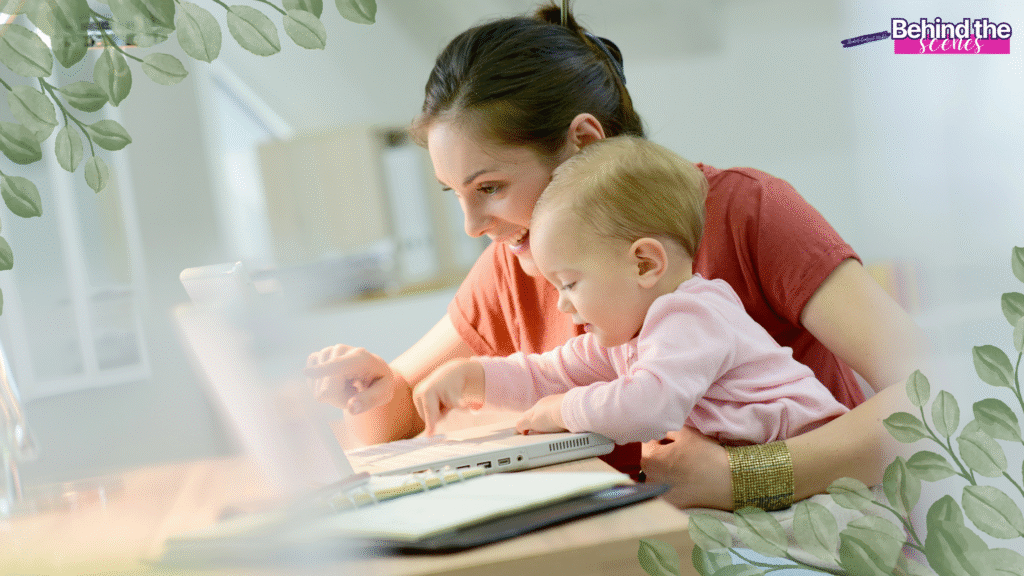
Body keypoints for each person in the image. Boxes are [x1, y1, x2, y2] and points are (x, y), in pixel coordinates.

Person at [305, 4, 926, 511]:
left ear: (581, 142)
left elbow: (937, 395)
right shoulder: (510, 261)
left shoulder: (747, 210)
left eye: (489, 187)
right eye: (456, 196)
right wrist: (374, 392)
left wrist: (747, 474)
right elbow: (396, 423)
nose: (472, 226)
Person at [411, 136, 850, 450]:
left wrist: (563, 410)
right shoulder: (630, 338)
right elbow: (549, 373)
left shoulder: (692, 316)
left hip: (824, 486)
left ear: (644, 264)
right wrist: (474, 377)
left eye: (570, 283)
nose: (563, 303)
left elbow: (648, 405)